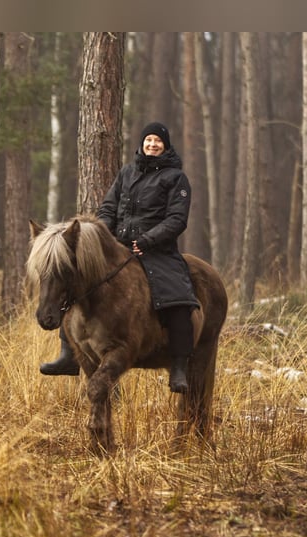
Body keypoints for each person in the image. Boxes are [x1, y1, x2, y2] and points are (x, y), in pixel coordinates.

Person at [39, 121, 199, 393]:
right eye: (148, 140)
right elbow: (109, 208)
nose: (152, 144)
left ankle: (179, 366)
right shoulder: (127, 172)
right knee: (75, 283)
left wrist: (148, 240)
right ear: (142, 143)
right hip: (120, 245)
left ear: (165, 145)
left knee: (178, 297)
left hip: (158, 250)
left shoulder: (176, 178)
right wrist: (104, 237)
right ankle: (68, 353)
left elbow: (176, 219)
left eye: (158, 141)